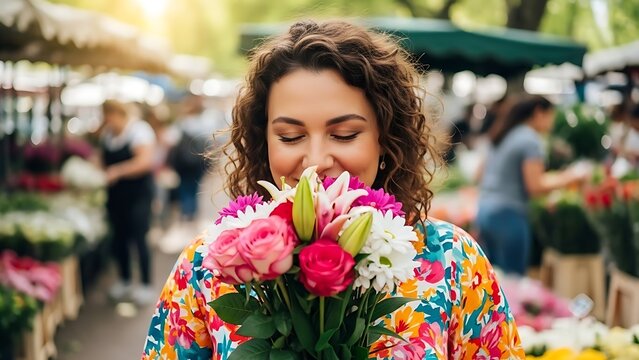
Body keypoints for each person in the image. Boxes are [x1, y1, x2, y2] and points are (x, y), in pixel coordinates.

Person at [142, 20, 524, 359]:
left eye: (344, 134)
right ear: (264, 142)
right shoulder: (211, 264)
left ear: (384, 138)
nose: (316, 160)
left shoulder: (453, 261)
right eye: (290, 136)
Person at [476, 95, 585, 276]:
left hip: (485, 211)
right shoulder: (530, 140)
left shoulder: (503, 133)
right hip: (508, 216)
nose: (551, 123)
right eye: (551, 116)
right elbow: (535, 186)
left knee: (491, 280)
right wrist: (571, 176)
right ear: (538, 112)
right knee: (513, 281)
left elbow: (479, 174)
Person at [99, 100, 157, 305]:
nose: (107, 120)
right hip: (116, 197)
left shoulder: (140, 131)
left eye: (109, 115)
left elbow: (145, 162)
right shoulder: (108, 134)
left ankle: (145, 284)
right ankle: (124, 280)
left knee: (139, 238)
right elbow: (101, 160)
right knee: (119, 239)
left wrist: (118, 171)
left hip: (138, 195)